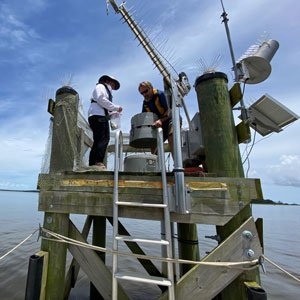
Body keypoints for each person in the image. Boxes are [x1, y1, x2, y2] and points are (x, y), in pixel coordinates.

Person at [88, 75, 122, 170]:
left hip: (99, 116)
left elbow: (104, 105)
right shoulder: (101, 87)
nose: (113, 87)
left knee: (99, 139)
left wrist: (112, 113)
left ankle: (92, 163)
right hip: (98, 116)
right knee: (103, 139)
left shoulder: (104, 89)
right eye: (113, 84)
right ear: (108, 81)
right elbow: (100, 98)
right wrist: (116, 107)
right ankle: (99, 162)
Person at [138, 81, 175, 158]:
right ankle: (159, 168)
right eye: (142, 93)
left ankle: (177, 166)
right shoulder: (145, 103)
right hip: (159, 125)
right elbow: (144, 117)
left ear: (151, 88)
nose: (144, 94)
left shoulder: (160, 95)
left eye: (146, 91)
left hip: (171, 120)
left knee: (171, 137)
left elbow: (171, 111)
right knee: (153, 144)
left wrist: (160, 121)